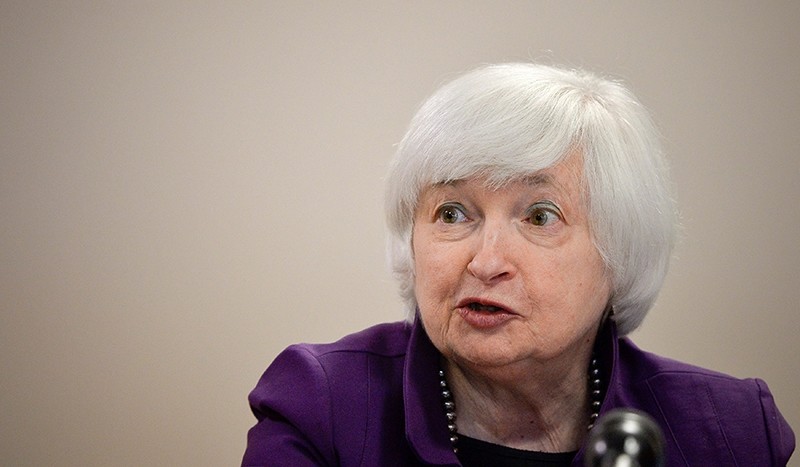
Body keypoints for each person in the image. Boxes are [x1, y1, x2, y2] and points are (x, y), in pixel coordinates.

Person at [242, 63, 795, 466]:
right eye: (453, 212)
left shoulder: (731, 431)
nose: (486, 262)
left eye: (540, 216)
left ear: (620, 253)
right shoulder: (322, 405)